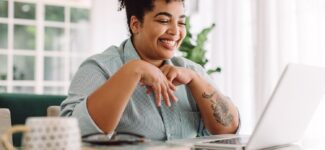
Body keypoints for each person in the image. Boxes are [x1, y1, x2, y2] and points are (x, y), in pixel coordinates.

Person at [60, 0, 240, 141]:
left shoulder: (190, 70)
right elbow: (70, 134)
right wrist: (133, 70)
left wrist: (195, 80)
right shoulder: (99, 68)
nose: (175, 31)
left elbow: (229, 130)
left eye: (181, 23)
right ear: (135, 24)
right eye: (164, 20)